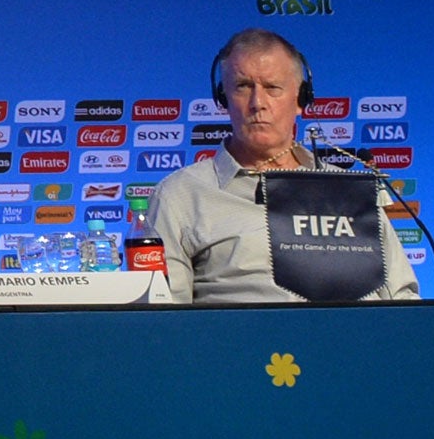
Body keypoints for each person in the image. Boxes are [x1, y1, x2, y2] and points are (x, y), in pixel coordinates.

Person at [149, 28, 418, 304]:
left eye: (272, 88)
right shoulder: (179, 196)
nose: (258, 103)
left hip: (359, 342)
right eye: (243, 87)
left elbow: (403, 301)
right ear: (223, 98)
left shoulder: (349, 190)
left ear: (301, 100)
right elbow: (166, 319)